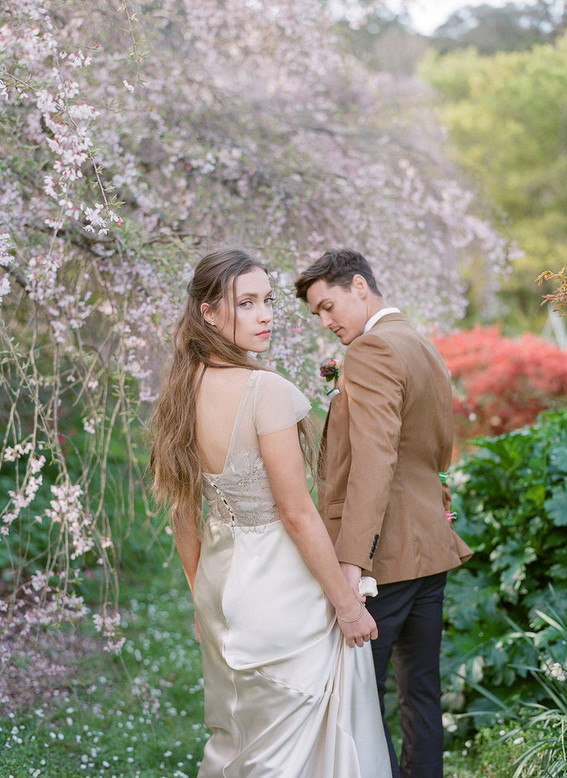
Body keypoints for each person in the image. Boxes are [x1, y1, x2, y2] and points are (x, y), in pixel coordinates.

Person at [150, 248, 392, 778]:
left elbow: (183, 514)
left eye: (268, 301)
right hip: (279, 590)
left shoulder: (180, 392)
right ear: (209, 313)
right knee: (297, 744)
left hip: (220, 584)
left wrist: (201, 598)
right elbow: (297, 511)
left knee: (241, 736)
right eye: (247, 303)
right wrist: (347, 607)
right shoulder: (266, 391)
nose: (265, 316)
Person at [295, 249, 473, 778]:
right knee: (421, 691)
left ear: (359, 286)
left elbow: (374, 462)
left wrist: (351, 562)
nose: (327, 323)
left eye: (329, 306)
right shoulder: (421, 344)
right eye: (317, 315)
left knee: (360, 701)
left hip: (384, 560)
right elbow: (440, 450)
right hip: (432, 548)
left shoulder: (371, 351)